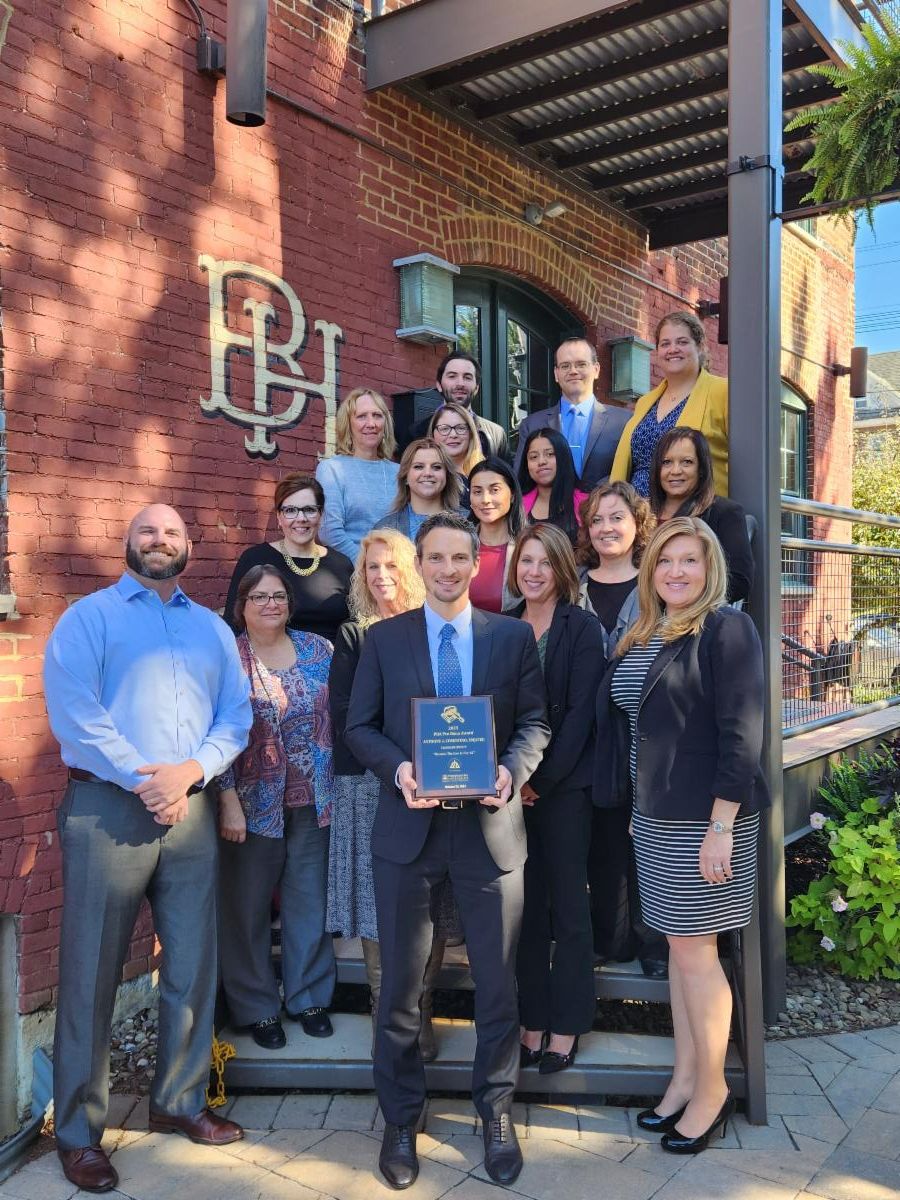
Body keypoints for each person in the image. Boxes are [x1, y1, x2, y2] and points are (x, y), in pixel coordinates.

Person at [42, 504, 252, 1194]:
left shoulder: (211, 628)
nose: (160, 541)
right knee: (91, 972)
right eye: (148, 531)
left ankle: (179, 1101)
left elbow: (235, 715)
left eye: (172, 533)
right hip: (107, 809)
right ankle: (78, 1133)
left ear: (189, 546)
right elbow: (76, 713)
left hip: (189, 809)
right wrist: (148, 779)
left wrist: (190, 773)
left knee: (191, 963)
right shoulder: (90, 619)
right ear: (128, 542)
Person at [345, 513, 550, 1190]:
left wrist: (511, 770)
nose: (448, 569)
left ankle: (496, 1112)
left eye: (460, 557)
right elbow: (359, 727)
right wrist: (401, 770)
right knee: (401, 990)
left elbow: (534, 722)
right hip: (410, 832)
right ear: (420, 564)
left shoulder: (511, 636)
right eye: (435, 557)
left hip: (489, 831)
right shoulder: (384, 638)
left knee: (497, 986)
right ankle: (401, 1119)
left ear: (475, 563)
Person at [594, 517, 768, 1155]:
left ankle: (713, 1091)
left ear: (710, 567)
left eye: (689, 560)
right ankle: (686, 1078)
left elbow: (742, 733)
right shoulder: (648, 630)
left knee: (697, 955)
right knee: (679, 952)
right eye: (666, 561)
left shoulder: (725, 628)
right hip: (655, 816)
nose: (676, 572)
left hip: (705, 820)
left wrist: (721, 826)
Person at [217, 564, 336, 1048]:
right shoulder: (228, 657)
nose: (271, 604)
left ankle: (309, 997)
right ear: (241, 606)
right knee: (246, 907)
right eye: (260, 597)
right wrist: (226, 798)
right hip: (250, 804)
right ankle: (257, 1006)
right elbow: (212, 731)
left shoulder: (319, 649)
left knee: (309, 901)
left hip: (314, 799)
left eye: (280, 596)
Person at [510, 524, 604, 1075]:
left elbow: (581, 717)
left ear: (563, 569)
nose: (534, 572)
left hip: (564, 790)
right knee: (524, 911)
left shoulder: (582, 627)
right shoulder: (503, 625)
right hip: (510, 793)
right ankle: (531, 1020)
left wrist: (537, 782)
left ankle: (566, 1024)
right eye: (526, 561)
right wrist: (509, 778)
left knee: (568, 908)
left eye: (545, 562)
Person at [575, 482, 668, 978]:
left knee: (648, 838)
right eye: (597, 520)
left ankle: (655, 941)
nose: (606, 528)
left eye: (617, 518)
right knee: (604, 840)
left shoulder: (656, 584)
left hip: (644, 729)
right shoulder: (573, 584)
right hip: (589, 733)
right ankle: (611, 938)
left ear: (637, 524)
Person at [610, 311, 729, 497]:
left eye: (682, 342)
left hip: (694, 510)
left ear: (700, 347)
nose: (673, 349)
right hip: (635, 509)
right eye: (665, 344)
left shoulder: (723, 391)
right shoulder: (645, 402)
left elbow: (745, 460)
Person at [224, 474, 353, 643]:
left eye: (309, 510)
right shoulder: (255, 559)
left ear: (321, 515)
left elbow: (356, 626)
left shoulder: (342, 564)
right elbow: (233, 624)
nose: (301, 518)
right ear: (279, 516)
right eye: (290, 510)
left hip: (335, 658)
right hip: (270, 658)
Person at [649, 428, 754, 605]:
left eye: (687, 462)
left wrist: (679, 594)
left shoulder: (725, 512)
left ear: (701, 468)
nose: (675, 470)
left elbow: (740, 581)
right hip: (639, 613)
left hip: (695, 615)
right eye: (667, 462)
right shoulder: (641, 513)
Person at [513, 336, 630, 490]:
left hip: (604, 504)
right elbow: (520, 480)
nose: (573, 371)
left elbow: (631, 474)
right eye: (565, 366)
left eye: (581, 364)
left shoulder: (624, 422)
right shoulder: (532, 425)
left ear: (596, 370)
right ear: (556, 374)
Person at [316, 388, 400, 561]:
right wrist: (368, 566)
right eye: (361, 416)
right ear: (348, 424)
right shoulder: (331, 469)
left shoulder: (400, 472)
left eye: (377, 415)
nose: (371, 423)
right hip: (351, 570)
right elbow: (329, 533)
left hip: (397, 569)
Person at [405, 351, 509, 460]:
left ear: (476, 388)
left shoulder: (496, 435)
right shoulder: (416, 432)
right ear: (439, 385)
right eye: (452, 376)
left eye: (467, 377)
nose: (460, 384)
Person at [467, 457, 526, 614]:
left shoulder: (528, 546)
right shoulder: (457, 544)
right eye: (477, 492)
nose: (485, 500)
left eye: (494, 490)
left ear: (512, 495)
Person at [375, 438, 462, 541]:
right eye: (418, 467)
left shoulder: (468, 521)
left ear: (447, 476)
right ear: (405, 477)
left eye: (436, 467)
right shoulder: (384, 529)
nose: (428, 473)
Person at [517, 426, 588, 545]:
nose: (541, 462)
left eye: (550, 454)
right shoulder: (517, 504)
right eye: (534, 457)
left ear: (563, 457)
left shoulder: (587, 502)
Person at [428, 400, 484, 506]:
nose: (453, 435)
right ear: (433, 434)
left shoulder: (486, 472)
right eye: (444, 429)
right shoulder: (427, 477)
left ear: (471, 433)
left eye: (461, 428)